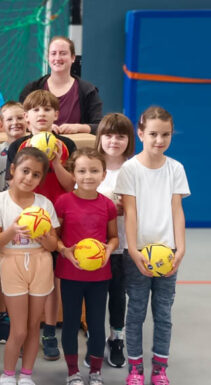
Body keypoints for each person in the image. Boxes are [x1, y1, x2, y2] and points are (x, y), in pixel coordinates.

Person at [115, 106, 189, 385]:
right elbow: (130, 212)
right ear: (141, 133)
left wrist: (179, 249)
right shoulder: (130, 169)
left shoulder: (175, 169)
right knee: (135, 312)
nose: (159, 140)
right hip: (138, 253)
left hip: (167, 253)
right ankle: (135, 368)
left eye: (166, 134)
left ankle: (160, 368)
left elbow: (177, 210)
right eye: (153, 134)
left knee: (163, 313)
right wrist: (133, 251)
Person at [5, 90, 77, 358]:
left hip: (58, 217)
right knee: (26, 274)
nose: (42, 113)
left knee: (51, 276)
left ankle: (48, 330)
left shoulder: (66, 144)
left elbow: (72, 185)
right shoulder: (19, 146)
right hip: (26, 217)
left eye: (48, 109)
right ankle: (21, 328)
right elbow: (14, 183)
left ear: (57, 115)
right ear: (27, 117)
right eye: (36, 110)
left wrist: (56, 161)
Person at [0, 147, 60, 385]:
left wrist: (44, 237)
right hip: (12, 263)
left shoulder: (44, 204)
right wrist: (12, 230)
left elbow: (53, 245)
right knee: (19, 330)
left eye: (36, 175)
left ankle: (26, 375)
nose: (29, 178)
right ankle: (7, 374)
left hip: (40, 263)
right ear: (13, 170)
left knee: (34, 326)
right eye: (25, 171)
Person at [55, 148, 119, 385]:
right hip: (70, 274)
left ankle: (95, 371)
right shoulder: (63, 202)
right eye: (81, 171)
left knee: (96, 323)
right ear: (73, 172)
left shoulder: (107, 205)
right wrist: (64, 250)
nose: (88, 176)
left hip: (100, 276)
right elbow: (55, 236)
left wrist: (108, 250)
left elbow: (113, 237)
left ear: (103, 174)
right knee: (70, 323)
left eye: (94, 171)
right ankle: (72, 372)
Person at [94, 113, 136, 369]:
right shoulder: (92, 165)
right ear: (100, 138)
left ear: (129, 140)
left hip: (123, 245)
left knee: (118, 295)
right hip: (94, 246)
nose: (114, 141)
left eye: (121, 136)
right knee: (96, 296)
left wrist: (128, 208)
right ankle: (95, 339)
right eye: (108, 135)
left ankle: (116, 338)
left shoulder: (134, 169)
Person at [0, 101, 27, 347]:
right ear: (2, 123)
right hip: (1, 217)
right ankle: (4, 317)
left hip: (29, 215)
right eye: (9, 119)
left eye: (20, 118)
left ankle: (25, 317)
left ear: (27, 121)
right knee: (1, 269)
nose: (15, 123)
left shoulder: (35, 148)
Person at [19, 36, 102, 135]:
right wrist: (43, 127)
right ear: (48, 57)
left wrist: (79, 127)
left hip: (75, 149)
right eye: (53, 53)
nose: (57, 58)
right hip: (36, 149)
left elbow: (100, 126)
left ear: (73, 58)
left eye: (63, 53)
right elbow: (19, 121)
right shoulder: (32, 89)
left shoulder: (87, 91)